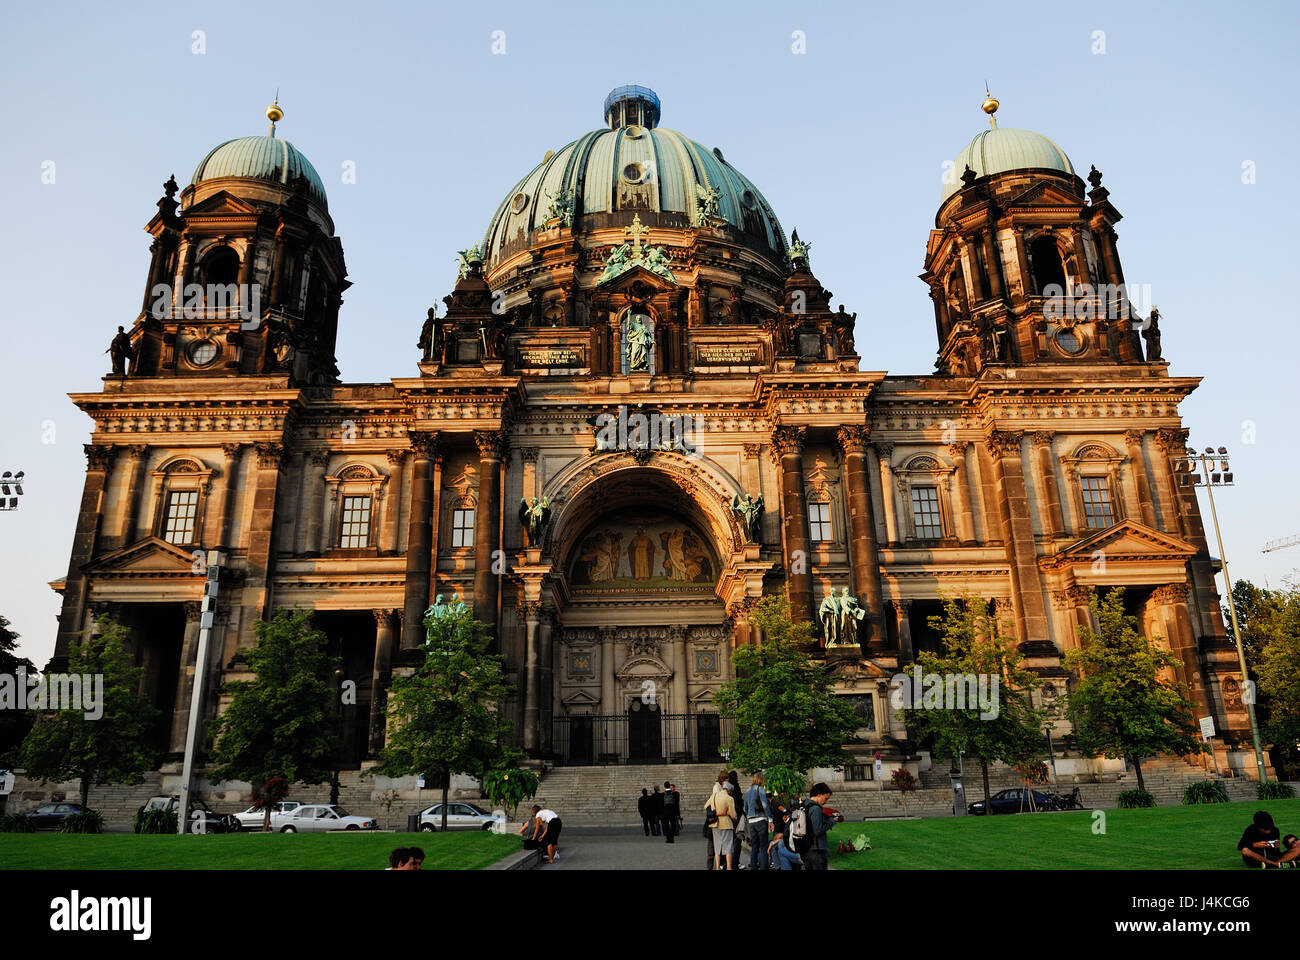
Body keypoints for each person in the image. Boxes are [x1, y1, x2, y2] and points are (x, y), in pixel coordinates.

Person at [705, 771, 737, 871]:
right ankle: (729, 867)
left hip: (714, 824)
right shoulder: (729, 798)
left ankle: (717, 867)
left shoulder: (714, 795)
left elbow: (706, 806)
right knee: (728, 847)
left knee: (717, 847)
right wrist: (725, 813)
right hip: (726, 824)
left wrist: (716, 812)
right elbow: (733, 815)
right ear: (729, 790)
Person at [744, 772, 774, 870]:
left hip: (751, 821)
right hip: (761, 819)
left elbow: (745, 808)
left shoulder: (748, 791)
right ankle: (764, 867)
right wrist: (770, 819)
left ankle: (753, 867)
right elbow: (765, 806)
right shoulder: (760, 789)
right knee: (764, 846)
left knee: (754, 847)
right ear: (761, 780)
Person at [803, 783, 835, 871]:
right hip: (817, 849)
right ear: (819, 795)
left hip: (806, 849)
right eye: (825, 798)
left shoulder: (804, 805)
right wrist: (831, 821)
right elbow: (817, 830)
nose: (826, 802)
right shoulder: (816, 809)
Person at [727, 770, 745, 865]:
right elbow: (739, 803)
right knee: (737, 839)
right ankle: (735, 861)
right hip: (737, 815)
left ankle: (728, 862)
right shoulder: (736, 787)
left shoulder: (728, 788)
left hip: (729, 815)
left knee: (730, 840)